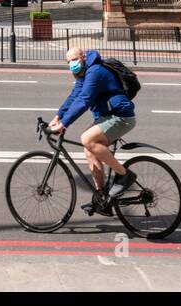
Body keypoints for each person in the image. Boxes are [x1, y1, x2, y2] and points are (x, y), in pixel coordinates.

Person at [48, 47, 137, 214]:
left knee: (87, 139)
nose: (71, 64)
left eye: (74, 60)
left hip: (121, 116)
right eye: (68, 62)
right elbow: (75, 96)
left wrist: (64, 124)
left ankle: (125, 175)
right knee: (89, 150)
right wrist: (58, 116)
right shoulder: (84, 73)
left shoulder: (95, 71)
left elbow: (85, 99)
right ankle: (102, 199)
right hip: (107, 116)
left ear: (83, 57)